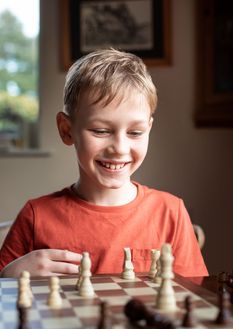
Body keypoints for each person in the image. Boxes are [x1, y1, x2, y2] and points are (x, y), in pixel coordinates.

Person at [0, 48, 208, 278]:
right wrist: (9, 275)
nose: (119, 148)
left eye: (135, 132)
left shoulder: (171, 212)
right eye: (100, 131)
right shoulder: (35, 216)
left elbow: (193, 299)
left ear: (149, 128)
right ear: (66, 130)